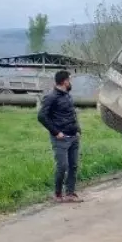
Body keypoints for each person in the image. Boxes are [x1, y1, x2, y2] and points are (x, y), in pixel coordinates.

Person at [37, 69, 82, 202]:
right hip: (61, 139)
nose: (71, 82)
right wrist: (56, 132)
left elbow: (72, 114)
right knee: (62, 166)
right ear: (64, 81)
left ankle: (70, 193)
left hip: (73, 137)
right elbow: (41, 116)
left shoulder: (68, 95)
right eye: (70, 80)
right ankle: (57, 194)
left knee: (73, 166)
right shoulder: (51, 97)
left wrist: (78, 129)